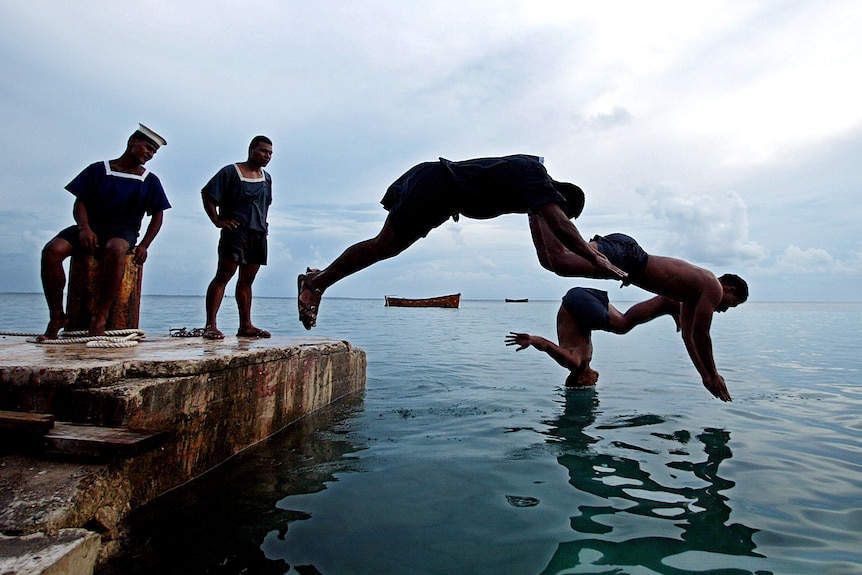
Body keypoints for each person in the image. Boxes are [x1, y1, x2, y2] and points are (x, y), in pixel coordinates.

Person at [297, 154, 627, 329]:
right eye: (563, 211)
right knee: (384, 246)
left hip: (440, 195)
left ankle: (318, 277)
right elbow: (560, 225)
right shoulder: (536, 178)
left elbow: (550, 252)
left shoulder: (531, 190)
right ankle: (317, 282)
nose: (554, 215)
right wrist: (596, 258)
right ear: (561, 196)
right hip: (435, 186)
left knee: (385, 247)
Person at [527, 225, 750, 401]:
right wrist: (713, 374)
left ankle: (535, 207)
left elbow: (690, 337)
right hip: (629, 257)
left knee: (551, 261)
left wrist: (704, 375)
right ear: (729, 288)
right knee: (561, 260)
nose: (723, 309)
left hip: (628, 259)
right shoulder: (713, 287)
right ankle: (545, 200)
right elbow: (702, 335)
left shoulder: (694, 294)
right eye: (731, 304)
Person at [39, 124, 171, 340]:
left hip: (123, 230)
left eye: (154, 152)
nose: (150, 154)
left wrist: (145, 244)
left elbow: (158, 215)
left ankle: (101, 315)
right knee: (52, 251)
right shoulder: (98, 170)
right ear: (132, 143)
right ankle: (57, 316)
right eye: (147, 148)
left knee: (116, 248)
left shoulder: (149, 180)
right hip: (91, 226)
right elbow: (80, 203)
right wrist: (84, 228)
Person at [506, 288, 682, 388]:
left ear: (581, 379)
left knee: (622, 325)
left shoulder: (573, 362)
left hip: (575, 303)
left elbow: (547, 346)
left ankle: (666, 301)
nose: (595, 382)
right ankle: (670, 304)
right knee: (622, 320)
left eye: (590, 384)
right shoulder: (584, 360)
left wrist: (531, 339)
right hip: (581, 299)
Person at [202, 136, 274, 339]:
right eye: (263, 151)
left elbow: (266, 204)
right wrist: (217, 220)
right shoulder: (231, 172)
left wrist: (263, 224)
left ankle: (246, 325)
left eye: (270, 153)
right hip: (235, 233)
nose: (267, 156)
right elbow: (207, 194)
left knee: (247, 280)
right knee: (223, 275)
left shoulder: (266, 178)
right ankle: (211, 325)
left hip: (257, 234)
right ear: (252, 150)